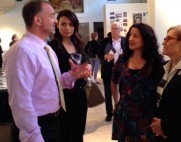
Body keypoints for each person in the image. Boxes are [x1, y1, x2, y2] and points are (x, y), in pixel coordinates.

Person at [3, 1, 91, 142]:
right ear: (37, 20)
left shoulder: (46, 49)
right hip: (38, 126)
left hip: (53, 121)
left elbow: (53, 84)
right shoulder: (22, 51)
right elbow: (21, 102)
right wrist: (34, 136)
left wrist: (72, 76)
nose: (55, 21)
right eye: (51, 16)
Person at [111, 23, 164, 142]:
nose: (130, 39)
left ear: (146, 39)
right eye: (130, 35)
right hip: (125, 114)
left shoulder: (156, 61)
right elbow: (113, 82)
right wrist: (116, 103)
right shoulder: (122, 59)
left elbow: (162, 88)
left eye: (136, 36)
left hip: (146, 116)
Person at [150, 25, 181, 142]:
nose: (163, 42)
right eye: (164, 38)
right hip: (159, 135)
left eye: (168, 39)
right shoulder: (164, 67)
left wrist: (165, 126)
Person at [48, 9, 88, 142]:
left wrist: (87, 68)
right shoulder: (52, 47)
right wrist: (72, 75)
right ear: (57, 25)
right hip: (64, 98)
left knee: (79, 130)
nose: (67, 28)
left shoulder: (78, 43)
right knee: (66, 133)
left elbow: (86, 61)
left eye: (71, 24)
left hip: (81, 94)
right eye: (63, 24)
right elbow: (51, 76)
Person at [99, 22, 126, 122]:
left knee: (123, 91)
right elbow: (100, 54)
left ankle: (121, 111)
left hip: (123, 71)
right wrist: (104, 57)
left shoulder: (125, 41)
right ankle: (109, 113)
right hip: (108, 70)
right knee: (107, 93)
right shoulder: (105, 41)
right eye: (112, 28)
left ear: (120, 30)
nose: (114, 30)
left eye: (116, 28)